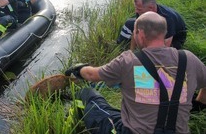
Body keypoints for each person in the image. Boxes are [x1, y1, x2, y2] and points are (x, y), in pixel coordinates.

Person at [65, 12, 206, 133]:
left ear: (141, 33)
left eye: (135, 32)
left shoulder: (128, 61)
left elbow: (92, 75)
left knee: (87, 94)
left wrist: (78, 69)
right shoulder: (188, 58)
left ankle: (70, 125)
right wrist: (198, 105)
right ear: (163, 33)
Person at [117, 0, 187, 50]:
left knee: (155, 52)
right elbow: (136, 31)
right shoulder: (142, 12)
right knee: (129, 23)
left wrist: (146, 55)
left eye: (139, 9)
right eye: (136, 8)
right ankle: (121, 48)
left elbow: (166, 46)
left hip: (175, 39)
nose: (136, 11)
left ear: (151, 8)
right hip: (154, 27)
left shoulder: (167, 18)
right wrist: (131, 53)